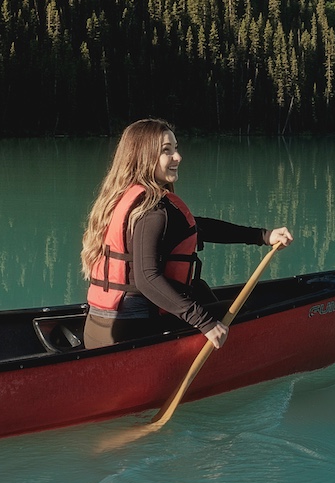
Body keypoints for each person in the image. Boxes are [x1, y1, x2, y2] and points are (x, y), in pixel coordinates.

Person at [79, 118, 292, 350]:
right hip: (131, 334)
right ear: (143, 157)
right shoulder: (153, 210)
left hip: (96, 331)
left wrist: (262, 236)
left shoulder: (120, 199)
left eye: (176, 148)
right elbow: (146, 278)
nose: (177, 157)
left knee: (198, 289)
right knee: (240, 311)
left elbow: (195, 228)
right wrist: (205, 323)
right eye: (166, 151)